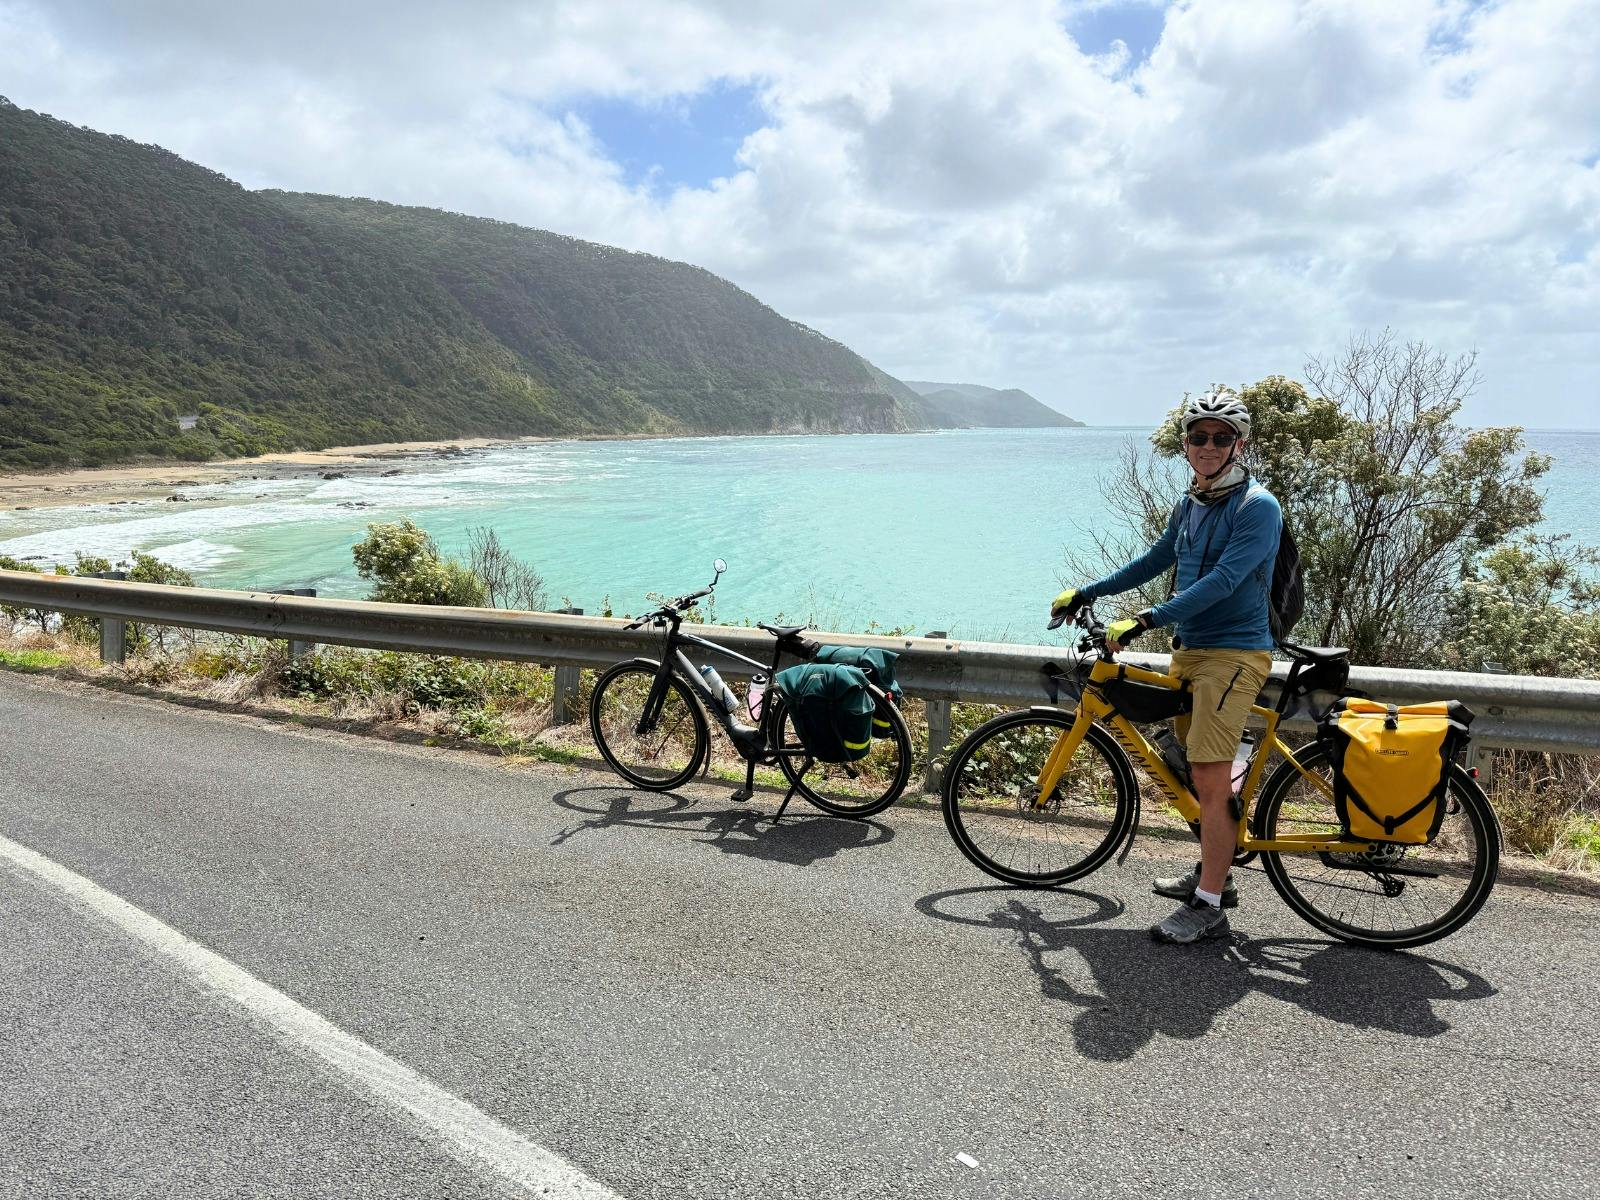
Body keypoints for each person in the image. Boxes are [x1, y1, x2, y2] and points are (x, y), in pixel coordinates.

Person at [1052, 388, 1282, 945]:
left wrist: (1144, 618)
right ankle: (1214, 875)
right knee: (1188, 767)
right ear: (1186, 445)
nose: (1208, 445)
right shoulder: (1191, 504)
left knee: (1207, 774)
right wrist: (1088, 590)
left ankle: (1209, 907)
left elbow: (1225, 580)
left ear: (1239, 445)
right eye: (1199, 436)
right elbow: (1157, 560)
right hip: (1193, 650)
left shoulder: (1257, 507)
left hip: (1233, 654)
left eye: (1220, 437)